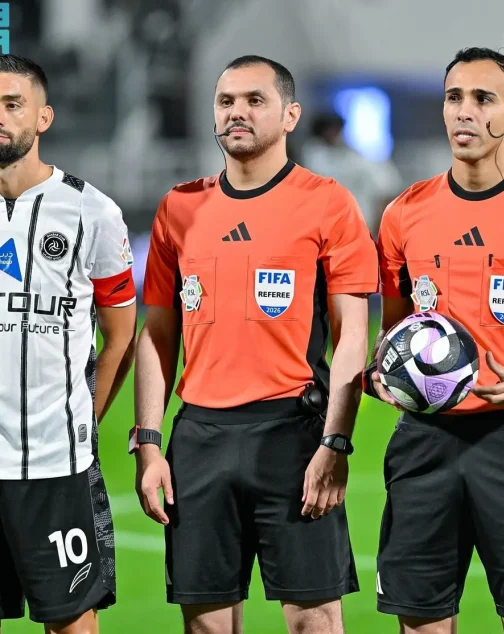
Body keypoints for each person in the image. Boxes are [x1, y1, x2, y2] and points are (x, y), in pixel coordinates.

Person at [134, 55, 378, 634]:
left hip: (293, 434)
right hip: (199, 438)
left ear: (290, 115)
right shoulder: (179, 208)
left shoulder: (328, 202)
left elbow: (352, 335)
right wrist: (148, 442)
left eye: (254, 101)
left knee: (314, 620)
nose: (236, 112)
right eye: (226, 102)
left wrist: (336, 441)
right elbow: (157, 333)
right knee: (206, 625)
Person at [366, 47, 504, 634]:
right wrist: (380, 375)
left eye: (483, 99)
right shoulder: (403, 214)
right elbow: (390, 333)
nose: (464, 111)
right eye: (454, 98)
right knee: (421, 621)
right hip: (423, 441)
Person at [0, 55, 137, 633]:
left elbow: (121, 334)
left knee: (71, 622)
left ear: (44, 117)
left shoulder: (91, 212)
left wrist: (85, 417)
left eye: (12, 105)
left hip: (55, 463)